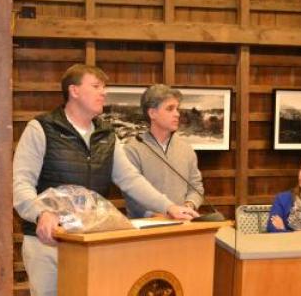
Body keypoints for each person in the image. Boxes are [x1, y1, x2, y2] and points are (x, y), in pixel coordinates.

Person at [13, 64, 196, 296]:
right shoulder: (40, 128)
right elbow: (20, 183)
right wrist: (41, 213)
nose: (104, 93)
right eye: (96, 86)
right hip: (48, 245)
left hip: (92, 244)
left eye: (104, 87)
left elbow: (131, 179)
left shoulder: (107, 134)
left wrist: (168, 206)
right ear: (74, 91)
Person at [122, 84, 205, 218]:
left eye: (177, 109)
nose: (177, 114)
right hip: (147, 230)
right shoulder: (132, 149)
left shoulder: (186, 148)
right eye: (170, 109)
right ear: (152, 113)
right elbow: (132, 195)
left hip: (182, 226)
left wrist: (188, 206)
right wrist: (163, 214)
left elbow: (196, 187)